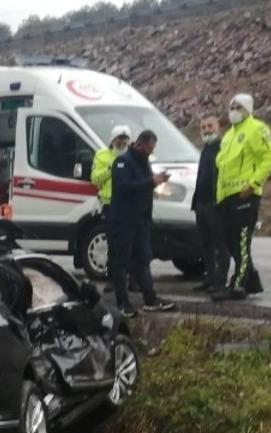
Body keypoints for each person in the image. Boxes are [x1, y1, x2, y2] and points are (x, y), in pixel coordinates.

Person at [214, 93, 271, 300]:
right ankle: (252, 280)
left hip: (245, 195)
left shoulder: (257, 128)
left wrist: (253, 184)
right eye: (232, 107)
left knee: (241, 241)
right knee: (229, 241)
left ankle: (238, 284)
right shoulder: (228, 136)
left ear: (248, 109)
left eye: (239, 107)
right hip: (225, 197)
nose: (234, 111)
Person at [109, 129, 176, 316]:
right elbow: (124, 187)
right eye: (148, 148)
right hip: (123, 221)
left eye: (152, 149)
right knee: (121, 262)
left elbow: (144, 186)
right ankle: (122, 303)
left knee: (143, 260)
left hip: (141, 221)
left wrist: (154, 182)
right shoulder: (123, 162)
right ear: (139, 144)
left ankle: (150, 299)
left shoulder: (144, 162)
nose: (149, 152)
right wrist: (151, 181)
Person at [191, 113, 227, 294]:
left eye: (210, 126)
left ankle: (220, 281)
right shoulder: (206, 149)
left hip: (215, 203)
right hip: (202, 203)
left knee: (220, 244)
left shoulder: (222, 148)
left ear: (218, 127)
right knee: (205, 244)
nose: (206, 130)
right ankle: (210, 277)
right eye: (203, 127)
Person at [91, 125, 129, 280]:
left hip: (128, 205)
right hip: (110, 205)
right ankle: (112, 278)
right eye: (118, 139)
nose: (121, 143)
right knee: (112, 244)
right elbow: (94, 179)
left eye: (124, 140)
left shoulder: (131, 155)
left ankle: (130, 278)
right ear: (112, 140)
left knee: (129, 245)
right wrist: (110, 170)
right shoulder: (101, 155)